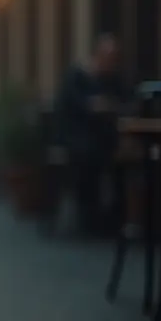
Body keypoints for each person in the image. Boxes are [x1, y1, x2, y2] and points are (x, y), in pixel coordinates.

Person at [52, 34, 129, 234]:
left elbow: (125, 103)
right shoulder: (76, 76)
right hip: (77, 139)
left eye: (114, 59)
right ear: (97, 55)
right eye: (107, 57)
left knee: (124, 161)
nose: (110, 63)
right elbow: (70, 107)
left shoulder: (113, 79)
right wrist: (93, 106)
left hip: (106, 139)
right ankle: (89, 218)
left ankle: (114, 219)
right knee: (88, 158)